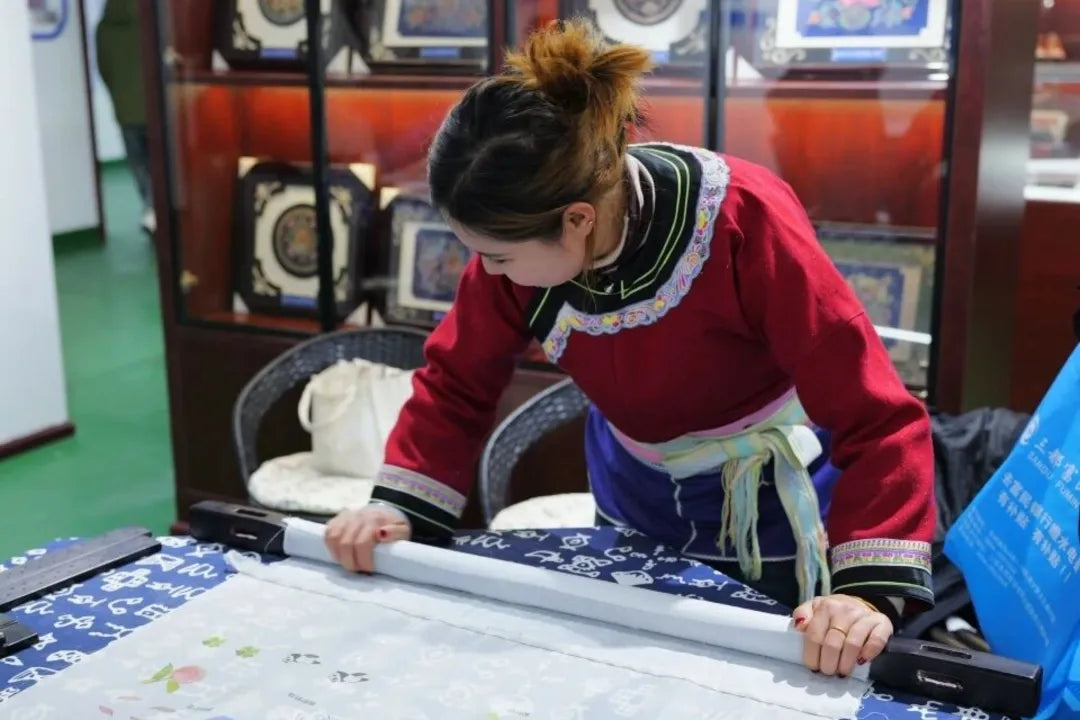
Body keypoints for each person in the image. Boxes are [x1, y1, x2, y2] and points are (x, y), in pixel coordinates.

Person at [325, 20, 935, 680]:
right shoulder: (517, 251)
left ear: (578, 219)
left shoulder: (741, 220)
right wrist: (392, 508)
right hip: (632, 490)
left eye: (497, 257)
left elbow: (877, 414)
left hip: (766, 504)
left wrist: (862, 595)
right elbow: (456, 379)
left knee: (753, 678)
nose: (487, 274)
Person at [95, 0, 154, 234]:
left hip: (125, 110)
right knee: (159, 164)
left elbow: (103, 69)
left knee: (138, 164)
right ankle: (157, 211)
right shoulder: (148, 25)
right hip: (153, 109)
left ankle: (149, 209)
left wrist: (118, 93)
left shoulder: (103, 28)